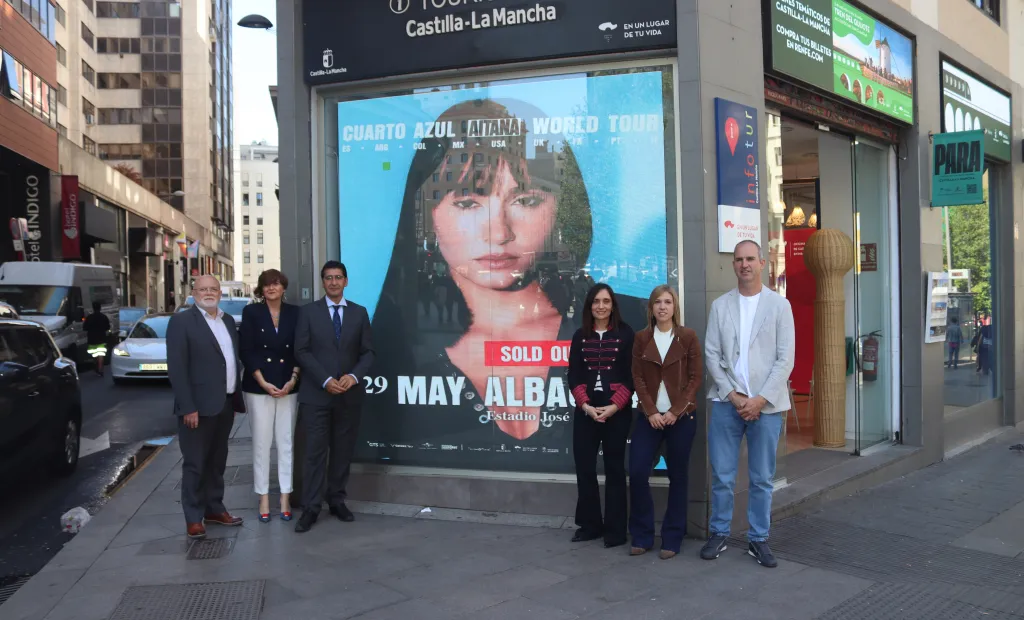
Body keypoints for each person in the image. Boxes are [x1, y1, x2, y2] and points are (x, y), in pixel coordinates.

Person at [702, 240, 794, 568]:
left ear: (762, 263)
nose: (745, 264)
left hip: (766, 406)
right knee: (722, 475)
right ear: (733, 265)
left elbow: (785, 359)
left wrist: (759, 399)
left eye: (750, 259)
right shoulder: (720, 306)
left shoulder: (779, 306)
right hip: (726, 403)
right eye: (739, 259)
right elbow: (711, 354)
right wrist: (732, 394)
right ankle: (719, 533)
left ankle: (758, 538)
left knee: (762, 478)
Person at [293, 261, 375, 533]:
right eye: (328, 278)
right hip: (317, 395)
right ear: (323, 282)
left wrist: (353, 376)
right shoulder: (308, 313)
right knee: (314, 453)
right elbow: (301, 351)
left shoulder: (359, 313)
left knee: (342, 452)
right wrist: (325, 380)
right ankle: (311, 507)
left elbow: (368, 352)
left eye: (338, 277)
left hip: (349, 396)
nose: (333, 282)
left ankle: (337, 500)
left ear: (346, 281)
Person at [166, 275, 244, 539]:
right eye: (203, 289)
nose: (208, 293)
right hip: (196, 408)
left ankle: (214, 509)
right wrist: (188, 407)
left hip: (224, 403)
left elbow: (229, 360)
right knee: (195, 464)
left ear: (220, 293)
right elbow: (177, 368)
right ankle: (193, 517)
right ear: (193, 293)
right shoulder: (181, 322)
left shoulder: (227, 321)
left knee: (217, 462)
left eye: (213, 289)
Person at [628, 285, 702, 560]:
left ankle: (672, 537)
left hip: (681, 418)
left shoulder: (688, 337)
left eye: (668, 302)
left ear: (674, 307)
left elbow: (695, 378)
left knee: (678, 476)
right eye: (658, 302)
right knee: (637, 471)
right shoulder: (641, 338)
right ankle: (642, 535)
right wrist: (651, 411)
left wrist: (675, 411)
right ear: (651, 307)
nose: (662, 307)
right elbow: (637, 377)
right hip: (649, 418)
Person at [567, 284, 634, 549]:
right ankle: (589, 525)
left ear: (613, 305)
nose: (601, 306)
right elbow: (573, 374)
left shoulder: (626, 334)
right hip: (586, 412)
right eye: (596, 301)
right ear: (589, 306)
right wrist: (585, 405)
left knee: (615, 469)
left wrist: (615, 406)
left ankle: (616, 530)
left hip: (617, 412)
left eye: (606, 301)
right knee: (585, 468)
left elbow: (631, 376)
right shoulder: (579, 336)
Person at [239, 269, 301, 523]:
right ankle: (263, 496)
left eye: (276, 284)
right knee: (261, 444)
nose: (271, 288)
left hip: (288, 385)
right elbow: (246, 349)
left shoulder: (296, 313)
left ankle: (285, 496)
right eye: (266, 285)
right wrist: (263, 382)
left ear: (283, 287)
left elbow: (300, 348)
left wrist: (293, 379)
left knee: (286, 442)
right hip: (258, 386)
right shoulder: (251, 312)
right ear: (261, 289)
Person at [83, 301, 111, 376]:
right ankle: (100, 369)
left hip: (92, 339)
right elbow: (107, 327)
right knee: (101, 354)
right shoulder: (104, 317)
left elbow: (85, 328)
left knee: (94, 354)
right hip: (101, 339)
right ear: (100, 308)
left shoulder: (89, 317)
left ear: (93, 308)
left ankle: (96, 365)